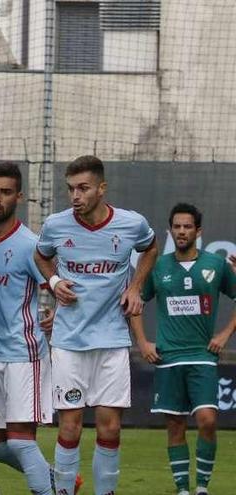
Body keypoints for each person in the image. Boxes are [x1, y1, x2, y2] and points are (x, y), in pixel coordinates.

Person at [34, 155, 158, 495]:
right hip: (68, 341)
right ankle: (63, 491)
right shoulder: (56, 225)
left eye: (83, 188)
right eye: (71, 189)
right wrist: (55, 280)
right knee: (70, 428)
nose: (75, 196)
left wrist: (135, 286)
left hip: (113, 340)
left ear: (101, 189)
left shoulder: (131, 224)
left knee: (110, 429)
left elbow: (150, 247)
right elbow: (40, 255)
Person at [130, 203, 235, 495]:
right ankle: (183, 489)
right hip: (168, 359)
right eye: (176, 226)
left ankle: (202, 487)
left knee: (207, 421)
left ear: (198, 231)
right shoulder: (158, 266)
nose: (181, 231)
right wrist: (142, 342)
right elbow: (134, 302)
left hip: (202, 358)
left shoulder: (215, 264)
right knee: (175, 427)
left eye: (187, 226)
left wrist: (225, 334)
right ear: (169, 230)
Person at [0, 162, 61, 494]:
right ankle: (55, 478)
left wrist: (53, 315)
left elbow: (60, 289)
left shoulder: (30, 244)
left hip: (24, 355)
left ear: (19, 197)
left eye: (6, 192)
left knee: (22, 442)